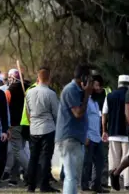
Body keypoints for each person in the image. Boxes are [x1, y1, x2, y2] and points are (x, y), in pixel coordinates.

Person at [55, 64, 92, 194]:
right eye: (89, 78)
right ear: (83, 77)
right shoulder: (71, 90)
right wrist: (87, 94)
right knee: (71, 176)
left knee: (74, 176)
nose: (91, 81)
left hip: (76, 138)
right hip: (69, 138)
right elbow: (78, 113)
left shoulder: (78, 90)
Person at [102, 75, 129, 191]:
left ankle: (112, 182)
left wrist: (104, 130)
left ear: (118, 83)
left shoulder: (110, 96)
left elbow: (104, 113)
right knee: (128, 158)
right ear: (128, 84)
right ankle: (128, 182)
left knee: (113, 159)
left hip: (113, 131)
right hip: (127, 133)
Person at [5, 69, 29, 186]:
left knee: (18, 151)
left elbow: (6, 109)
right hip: (26, 124)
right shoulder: (29, 88)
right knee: (19, 151)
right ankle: (13, 178)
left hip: (15, 124)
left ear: (13, 78)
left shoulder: (9, 91)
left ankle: (32, 171)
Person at [83, 79, 106, 193]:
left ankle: (96, 185)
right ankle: (84, 185)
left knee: (100, 161)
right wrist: (85, 135)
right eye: (96, 86)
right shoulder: (85, 101)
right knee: (87, 162)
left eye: (99, 86)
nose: (98, 88)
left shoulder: (96, 102)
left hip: (97, 136)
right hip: (89, 137)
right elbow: (83, 119)